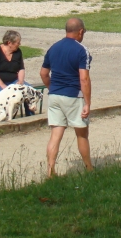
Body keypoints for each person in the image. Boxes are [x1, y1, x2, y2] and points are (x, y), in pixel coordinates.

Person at [40, 17, 93, 177]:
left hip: (55, 95)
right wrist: (87, 103)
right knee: (81, 133)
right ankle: (89, 168)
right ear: (81, 31)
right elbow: (84, 79)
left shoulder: (53, 48)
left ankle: (50, 171)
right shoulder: (81, 50)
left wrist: (52, 88)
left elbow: (43, 73)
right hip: (73, 95)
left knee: (55, 135)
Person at [0, 30, 26, 96]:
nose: (19, 44)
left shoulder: (18, 52)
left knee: (28, 91)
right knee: (0, 95)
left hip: (13, 80)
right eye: (18, 43)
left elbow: (21, 69)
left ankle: (29, 106)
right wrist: (3, 86)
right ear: (9, 43)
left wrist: (20, 81)